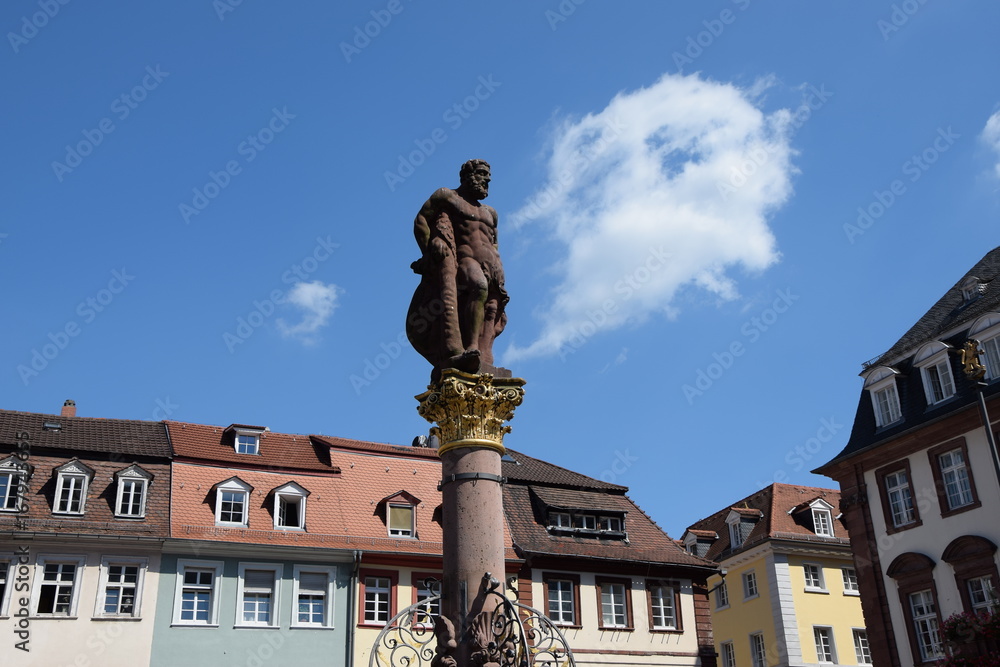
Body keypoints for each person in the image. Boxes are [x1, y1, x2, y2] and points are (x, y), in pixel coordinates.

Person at [406, 159, 508, 374]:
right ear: (467, 176)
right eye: (482, 173)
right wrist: (430, 248)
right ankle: (470, 347)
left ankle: (484, 353)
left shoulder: (491, 213)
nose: (487, 179)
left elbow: (494, 241)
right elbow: (421, 220)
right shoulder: (447, 196)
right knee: (477, 287)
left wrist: (497, 260)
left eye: (488, 175)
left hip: (492, 266)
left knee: (491, 308)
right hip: (465, 260)